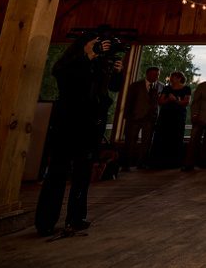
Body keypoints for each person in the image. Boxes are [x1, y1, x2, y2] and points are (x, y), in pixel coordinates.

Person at [35, 34, 124, 236]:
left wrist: (117, 73)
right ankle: (46, 221)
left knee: (83, 174)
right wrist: (87, 56)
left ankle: (76, 217)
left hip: (90, 125)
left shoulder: (99, 65)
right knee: (57, 172)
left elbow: (112, 89)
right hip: (67, 124)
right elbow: (65, 81)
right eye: (96, 44)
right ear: (83, 45)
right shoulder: (69, 64)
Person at [122, 66, 161, 171]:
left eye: (157, 75)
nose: (156, 76)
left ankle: (141, 163)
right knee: (130, 141)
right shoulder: (135, 86)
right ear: (147, 74)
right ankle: (126, 165)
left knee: (146, 143)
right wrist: (127, 116)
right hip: (135, 117)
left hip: (150, 119)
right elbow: (129, 102)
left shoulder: (161, 86)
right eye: (154, 74)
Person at [149, 71, 190, 169]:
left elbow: (186, 102)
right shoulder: (167, 88)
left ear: (180, 78)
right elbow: (160, 101)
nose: (171, 79)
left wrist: (175, 100)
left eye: (173, 77)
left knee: (176, 136)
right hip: (165, 116)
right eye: (171, 77)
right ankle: (158, 161)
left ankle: (173, 162)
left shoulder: (186, 88)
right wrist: (168, 100)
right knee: (162, 136)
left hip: (178, 116)